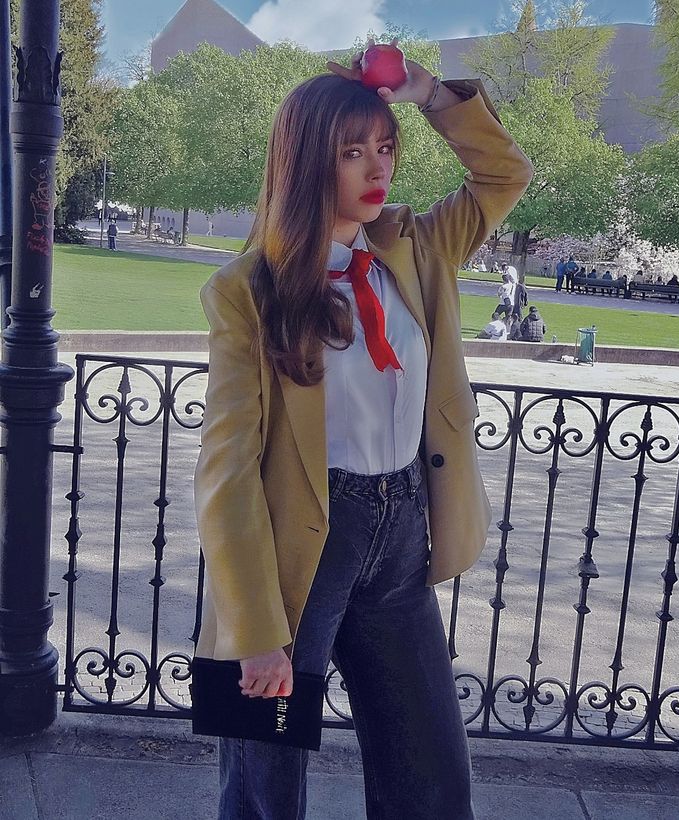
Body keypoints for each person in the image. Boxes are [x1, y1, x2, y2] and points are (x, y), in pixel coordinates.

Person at [193, 39, 533, 820]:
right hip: (295, 556)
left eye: (385, 148)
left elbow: (503, 174)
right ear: (311, 160)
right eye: (354, 152)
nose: (378, 169)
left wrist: (424, 92)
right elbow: (228, 470)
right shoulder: (247, 290)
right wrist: (253, 628)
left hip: (400, 541)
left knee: (433, 780)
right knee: (263, 787)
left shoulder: (416, 248)